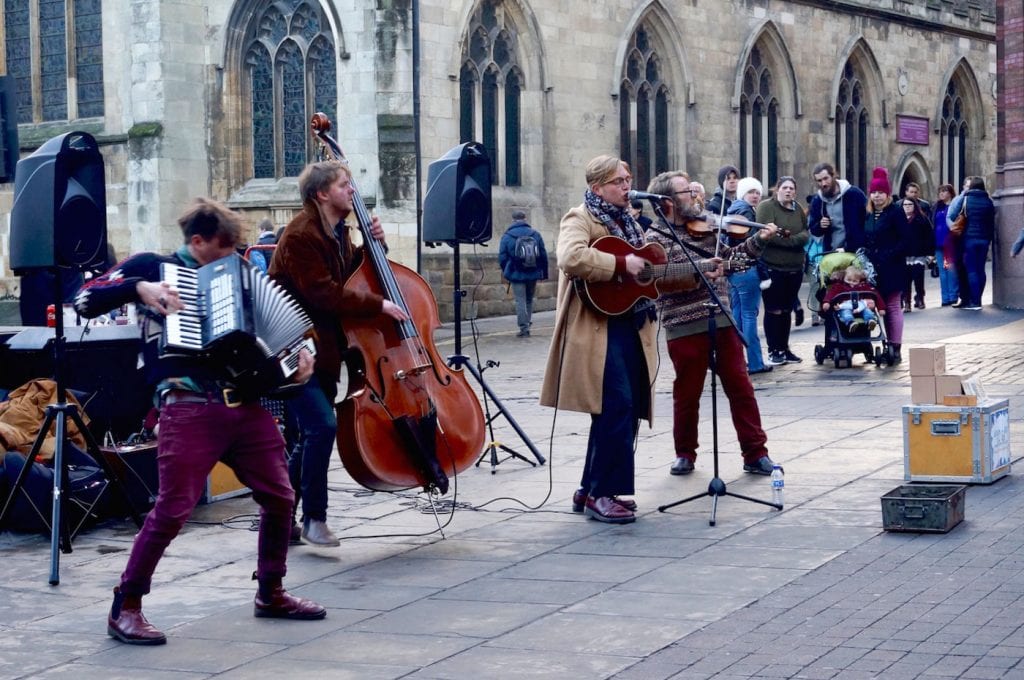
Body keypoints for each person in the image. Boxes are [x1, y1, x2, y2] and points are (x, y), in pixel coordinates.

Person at [72, 198, 326, 645]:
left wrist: (296, 365)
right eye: (222, 249)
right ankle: (126, 605)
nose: (230, 259)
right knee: (173, 509)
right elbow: (85, 299)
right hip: (187, 404)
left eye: (234, 250)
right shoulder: (155, 266)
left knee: (282, 496)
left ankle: (271, 591)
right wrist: (137, 289)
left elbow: (267, 358)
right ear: (197, 241)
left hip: (244, 407)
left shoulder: (244, 281)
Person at [269, 160, 409, 546]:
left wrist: (373, 246)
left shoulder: (338, 232)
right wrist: (379, 306)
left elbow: (350, 274)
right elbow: (325, 293)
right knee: (321, 427)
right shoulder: (300, 235)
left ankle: (281, 519)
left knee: (308, 435)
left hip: (323, 350)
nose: (352, 190)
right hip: (292, 349)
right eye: (345, 184)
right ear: (322, 194)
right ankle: (314, 518)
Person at [539, 155, 664, 524]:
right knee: (617, 406)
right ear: (598, 188)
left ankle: (589, 487)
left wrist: (703, 270)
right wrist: (621, 265)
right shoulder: (581, 217)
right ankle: (603, 494)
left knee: (619, 409)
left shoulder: (630, 222)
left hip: (629, 324)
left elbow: (645, 268)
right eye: (619, 181)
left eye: (628, 179)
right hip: (596, 329)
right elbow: (570, 257)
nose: (627, 186)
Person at [644, 170, 780, 478]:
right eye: (685, 192)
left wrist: (757, 241)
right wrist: (703, 269)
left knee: (741, 387)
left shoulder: (707, 230)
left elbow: (732, 262)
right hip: (683, 325)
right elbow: (655, 276)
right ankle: (685, 453)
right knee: (687, 394)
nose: (695, 196)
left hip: (720, 318)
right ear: (667, 202)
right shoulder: (653, 239)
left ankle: (755, 452)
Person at [756, 176, 810, 366]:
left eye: (792, 188)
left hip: (794, 268)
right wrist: (792, 241)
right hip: (773, 267)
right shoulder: (766, 207)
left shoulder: (798, 209)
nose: (788, 191)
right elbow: (768, 235)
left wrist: (795, 240)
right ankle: (774, 350)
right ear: (777, 189)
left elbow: (805, 232)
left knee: (787, 310)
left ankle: (785, 348)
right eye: (785, 188)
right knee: (774, 309)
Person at [723, 177, 770, 374]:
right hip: (747, 270)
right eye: (751, 191)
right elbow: (753, 248)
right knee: (749, 317)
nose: (755, 195)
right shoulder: (746, 213)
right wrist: (763, 272)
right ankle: (756, 362)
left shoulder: (732, 210)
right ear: (743, 193)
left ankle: (736, 361)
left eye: (757, 192)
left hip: (733, 270)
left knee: (738, 317)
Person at [863, 167, 909, 362]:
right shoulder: (869, 215)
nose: (877, 196)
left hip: (892, 267)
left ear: (888, 194)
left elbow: (906, 240)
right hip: (874, 269)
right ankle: (881, 342)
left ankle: (895, 346)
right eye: (874, 192)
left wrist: (888, 254)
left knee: (892, 306)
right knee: (876, 306)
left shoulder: (895, 213)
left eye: (881, 192)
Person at [945, 176, 996, 310]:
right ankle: (978, 298)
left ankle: (975, 302)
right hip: (984, 239)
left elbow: (953, 215)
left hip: (969, 239)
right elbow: (991, 221)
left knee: (971, 270)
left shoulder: (966, 199)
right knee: (981, 269)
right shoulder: (988, 201)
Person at [498, 210, 549, 337]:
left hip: (516, 273)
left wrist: (507, 270)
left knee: (520, 300)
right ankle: (527, 322)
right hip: (532, 272)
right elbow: (543, 255)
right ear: (525, 219)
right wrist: (543, 273)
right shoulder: (535, 234)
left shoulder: (507, 236)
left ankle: (523, 327)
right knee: (529, 300)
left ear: (513, 220)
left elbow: (502, 257)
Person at [808, 162, 868, 252]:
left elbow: (868, 221)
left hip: (855, 252)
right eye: (819, 181)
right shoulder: (817, 201)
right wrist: (820, 225)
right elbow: (813, 230)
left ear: (833, 176)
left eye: (826, 178)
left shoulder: (854, 194)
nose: (823, 183)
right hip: (830, 252)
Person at [899, 196, 935, 311]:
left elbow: (929, 236)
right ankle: (907, 302)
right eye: (905, 205)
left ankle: (920, 298)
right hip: (904, 254)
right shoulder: (898, 219)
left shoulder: (922, 219)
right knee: (905, 280)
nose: (907, 207)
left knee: (918, 278)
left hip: (918, 253)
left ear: (915, 206)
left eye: (910, 205)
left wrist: (930, 253)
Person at [821, 265, 881, 332]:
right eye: (849, 280)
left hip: (860, 306)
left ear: (859, 280)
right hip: (845, 306)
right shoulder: (839, 286)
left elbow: (876, 295)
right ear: (844, 278)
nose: (851, 283)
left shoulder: (863, 286)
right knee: (845, 313)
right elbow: (830, 294)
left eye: (854, 281)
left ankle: (870, 321)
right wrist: (826, 302)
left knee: (867, 311)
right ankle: (850, 323)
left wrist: (881, 308)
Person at [931, 184, 959, 306]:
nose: (941, 194)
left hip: (951, 242)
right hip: (938, 242)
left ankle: (953, 296)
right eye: (940, 191)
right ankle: (945, 298)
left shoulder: (954, 205)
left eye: (944, 191)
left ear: (950, 193)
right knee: (942, 271)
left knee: (951, 270)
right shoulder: (937, 206)